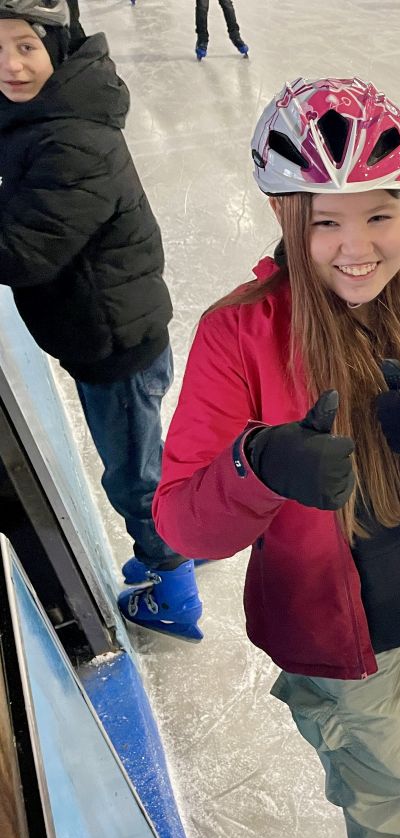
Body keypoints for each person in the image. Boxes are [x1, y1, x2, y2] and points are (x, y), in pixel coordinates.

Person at [152, 76, 400, 838]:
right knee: (377, 759)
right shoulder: (240, 332)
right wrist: (258, 466)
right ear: (288, 220)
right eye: (326, 222)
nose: (358, 247)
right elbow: (180, 522)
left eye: (378, 215)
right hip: (334, 615)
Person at [0, 0, 203, 642]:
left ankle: (174, 588)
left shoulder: (72, 139)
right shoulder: (48, 111)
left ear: (56, 46)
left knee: (133, 477)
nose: (11, 65)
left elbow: (24, 252)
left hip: (114, 341)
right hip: (113, 325)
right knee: (144, 457)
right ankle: (177, 537)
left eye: (26, 46)